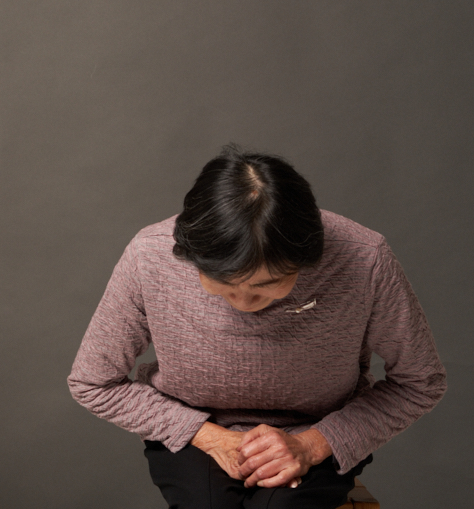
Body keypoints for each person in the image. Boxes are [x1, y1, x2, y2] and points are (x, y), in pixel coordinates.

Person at [68, 146, 445, 509]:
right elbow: (93, 381)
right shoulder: (149, 256)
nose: (244, 303)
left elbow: (420, 382)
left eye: (266, 286)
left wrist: (313, 445)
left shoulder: (365, 258)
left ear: (308, 258)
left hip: (319, 430)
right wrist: (210, 437)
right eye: (224, 286)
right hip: (193, 431)